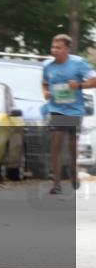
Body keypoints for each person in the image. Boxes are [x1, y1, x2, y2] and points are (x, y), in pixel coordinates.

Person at [42, 34, 96, 194]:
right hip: (56, 109)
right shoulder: (48, 65)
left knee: (72, 146)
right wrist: (45, 92)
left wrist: (78, 85)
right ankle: (56, 184)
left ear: (67, 49)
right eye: (53, 47)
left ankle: (74, 174)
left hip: (74, 110)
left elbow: (94, 80)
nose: (54, 50)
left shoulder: (78, 63)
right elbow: (44, 82)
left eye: (58, 48)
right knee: (56, 143)